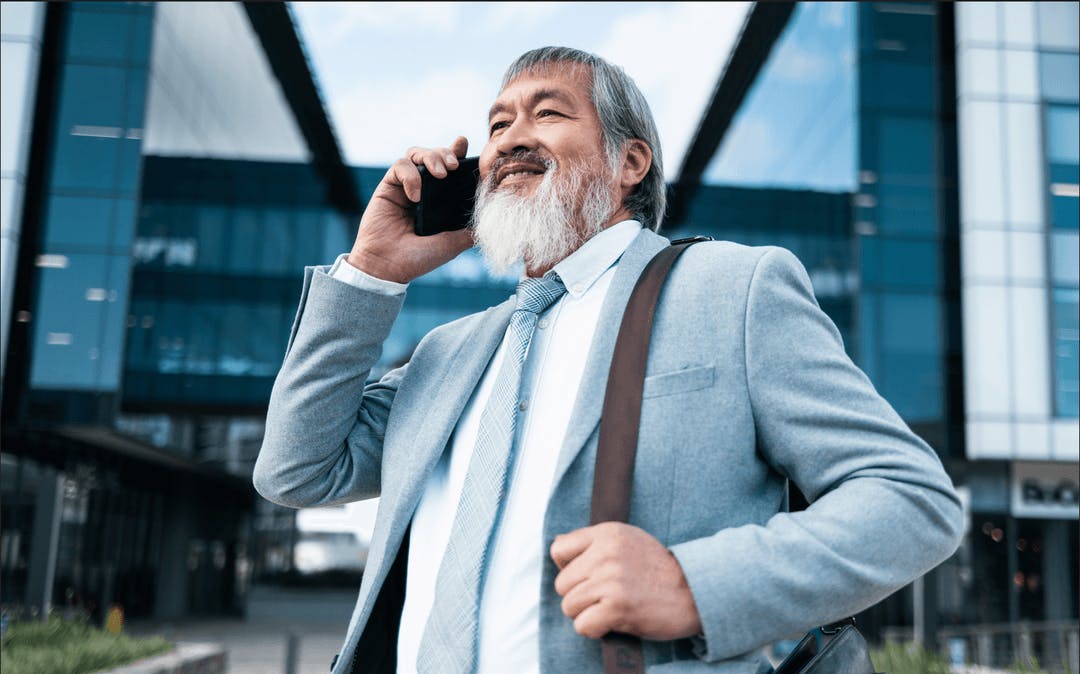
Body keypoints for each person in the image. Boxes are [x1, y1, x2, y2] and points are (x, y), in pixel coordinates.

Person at [253, 46, 963, 674]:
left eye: (548, 114)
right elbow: (296, 469)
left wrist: (695, 583)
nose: (510, 139)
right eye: (497, 125)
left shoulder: (733, 290)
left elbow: (910, 499)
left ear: (631, 161)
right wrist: (372, 272)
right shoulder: (448, 352)